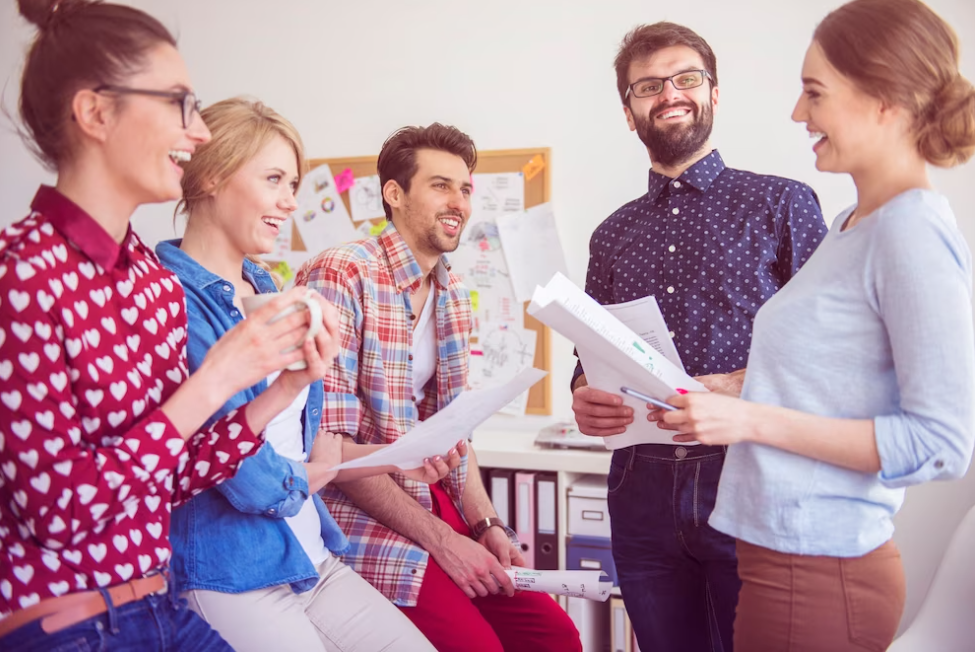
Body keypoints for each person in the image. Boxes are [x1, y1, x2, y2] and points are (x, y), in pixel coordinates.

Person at [0, 1, 335, 650]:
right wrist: (215, 382)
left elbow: (170, 475)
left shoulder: (151, 284)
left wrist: (280, 387)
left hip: (159, 605)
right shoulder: (21, 274)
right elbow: (56, 512)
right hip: (65, 625)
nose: (200, 131)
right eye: (179, 102)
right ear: (96, 112)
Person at [654, 1, 975, 650]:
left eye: (813, 93)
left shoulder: (909, 234)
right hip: (778, 559)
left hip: (818, 572)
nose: (798, 114)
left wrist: (749, 421)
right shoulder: (851, 227)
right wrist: (735, 388)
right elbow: (833, 378)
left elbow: (941, 441)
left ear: (883, 99)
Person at [156, 97, 468, 652]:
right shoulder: (171, 304)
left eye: (294, 183)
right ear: (210, 176)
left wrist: (397, 458)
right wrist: (311, 474)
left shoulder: (269, 291)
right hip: (233, 571)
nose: (290, 201)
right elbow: (246, 473)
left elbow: (307, 442)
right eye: (274, 179)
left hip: (311, 556)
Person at [569, 22, 827, 652]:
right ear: (629, 112)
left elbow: (832, 354)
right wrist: (584, 396)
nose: (669, 94)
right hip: (640, 485)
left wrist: (741, 385)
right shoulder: (611, 235)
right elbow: (590, 355)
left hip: (751, 471)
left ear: (714, 92)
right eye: (648, 86)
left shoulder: (784, 204)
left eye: (686, 78)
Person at [296, 124, 582, 652]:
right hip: (350, 508)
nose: (459, 202)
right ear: (395, 193)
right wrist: (444, 541)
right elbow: (327, 451)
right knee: (477, 646)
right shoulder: (342, 272)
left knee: (554, 635)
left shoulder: (451, 290)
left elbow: (455, 434)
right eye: (441, 185)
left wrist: (487, 524)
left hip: (427, 498)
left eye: (466, 189)